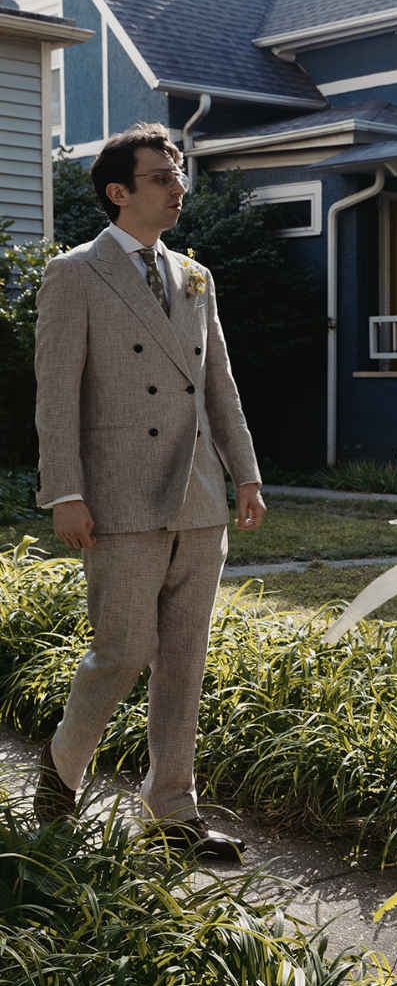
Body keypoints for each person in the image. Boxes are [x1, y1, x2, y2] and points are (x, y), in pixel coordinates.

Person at [32, 122, 265, 859]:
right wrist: (64, 490)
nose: (177, 187)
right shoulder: (75, 272)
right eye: (162, 176)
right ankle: (61, 773)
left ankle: (172, 814)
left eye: (179, 173)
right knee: (122, 652)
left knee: (183, 661)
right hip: (118, 496)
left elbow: (218, 384)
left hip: (196, 497)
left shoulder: (197, 276)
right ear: (118, 191)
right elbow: (55, 396)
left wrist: (246, 472)